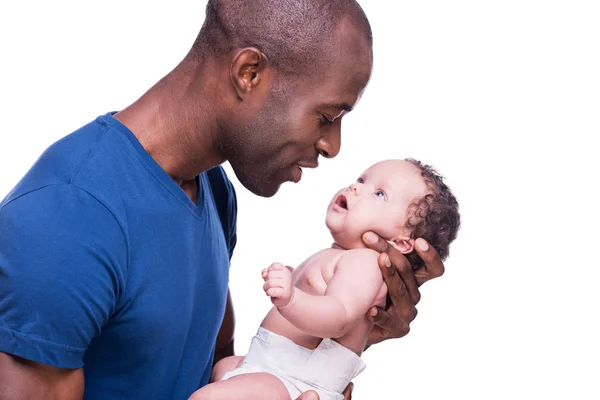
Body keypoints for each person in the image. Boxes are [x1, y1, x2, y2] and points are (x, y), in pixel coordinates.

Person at [0, 1, 446, 399]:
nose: (334, 146)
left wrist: (340, 346)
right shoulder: (65, 222)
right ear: (248, 73)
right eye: (327, 117)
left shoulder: (213, 188)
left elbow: (218, 372)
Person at [188, 159, 460, 400]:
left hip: (292, 382)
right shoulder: (340, 256)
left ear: (401, 243)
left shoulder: (365, 264)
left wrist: (292, 298)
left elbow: (339, 317)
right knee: (221, 369)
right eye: (361, 180)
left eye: (379, 194)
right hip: (268, 366)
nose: (355, 188)